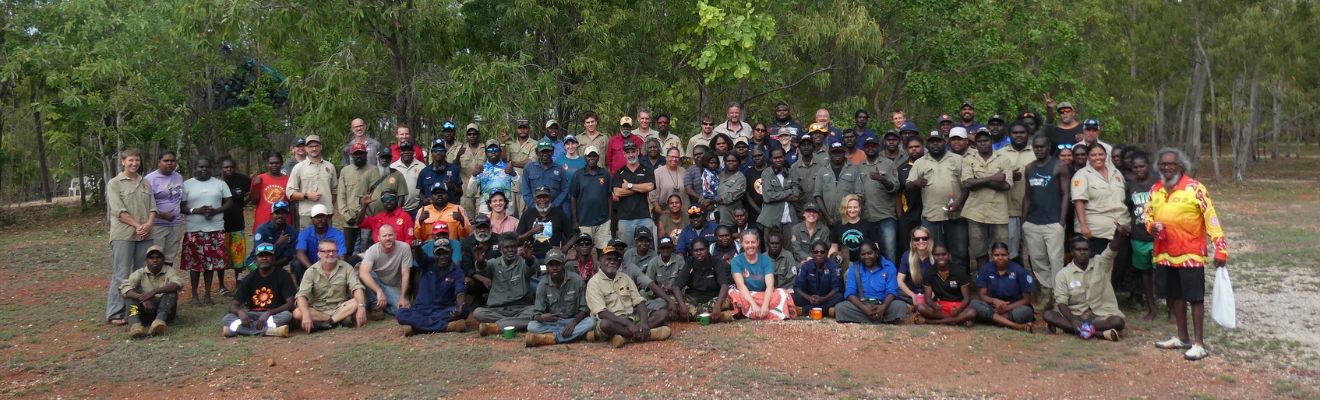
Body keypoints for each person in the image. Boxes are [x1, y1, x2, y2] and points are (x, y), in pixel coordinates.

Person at [1147, 148, 1228, 361]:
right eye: (1163, 164)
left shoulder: (1195, 188)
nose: (1166, 168)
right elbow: (1148, 215)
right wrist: (1150, 227)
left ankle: (1199, 344)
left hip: (1191, 252)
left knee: (1194, 297)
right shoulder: (1155, 189)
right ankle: (1182, 337)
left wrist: (1220, 248)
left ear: (1181, 166)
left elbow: (1211, 218)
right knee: (1174, 295)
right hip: (1165, 252)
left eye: (1171, 164)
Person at [1044, 224, 1130, 341]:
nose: (1082, 252)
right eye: (1078, 250)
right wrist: (1073, 321)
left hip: (1100, 316)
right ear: (1072, 252)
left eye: (1085, 249)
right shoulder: (1063, 274)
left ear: (1090, 252)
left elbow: (1112, 249)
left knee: (1118, 321)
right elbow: (1061, 302)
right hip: (1076, 315)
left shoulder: (1101, 263)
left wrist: (1121, 234)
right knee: (1048, 315)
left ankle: (1071, 329)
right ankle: (1100, 334)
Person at [586, 246, 673, 347]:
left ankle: (626, 337)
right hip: (614, 321)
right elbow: (602, 313)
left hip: (632, 317)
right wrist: (629, 325)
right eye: (608, 259)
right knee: (605, 325)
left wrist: (644, 322)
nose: (612, 262)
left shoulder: (625, 277)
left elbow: (639, 302)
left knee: (663, 314)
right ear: (601, 260)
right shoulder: (594, 282)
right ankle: (646, 334)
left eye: (615, 260)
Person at [1022, 134, 1071, 310]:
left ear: (1048, 147)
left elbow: (1066, 195)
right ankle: (1046, 294)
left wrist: (1061, 221)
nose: (1039, 149)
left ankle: (1059, 298)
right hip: (1033, 222)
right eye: (1036, 147)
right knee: (1037, 260)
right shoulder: (1029, 168)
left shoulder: (1059, 166)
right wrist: (1024, 221)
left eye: (1042, 146)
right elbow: (1027, 196)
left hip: (1053, 222)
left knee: (1055, 260)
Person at [909, 131, 969, 271]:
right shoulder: (920, 162)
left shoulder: (958, 159)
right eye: (932, 141)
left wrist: (959, 202)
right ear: (927, 144)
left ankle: (962, 281)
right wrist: (916, 183)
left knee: (960, 253)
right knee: (932, 254)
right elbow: (908, 185)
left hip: (956, 214)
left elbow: (967, 185)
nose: (935, 144)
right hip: (931, 216)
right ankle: (936, 281)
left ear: (944, 141)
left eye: (938, 141)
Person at [181, 156, 233, 305]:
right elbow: (181, 206)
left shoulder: (219, 183)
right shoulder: (187, 185)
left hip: (215, 228)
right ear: (195, 168)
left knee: (210, 264)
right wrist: (195, 210)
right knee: (195, 264)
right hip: (194, 229)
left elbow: (229, 202)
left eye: (207, 167)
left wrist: (216, 211)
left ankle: (208, 295)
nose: (204, 169)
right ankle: (194, 296)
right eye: (201, 167)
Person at [961, 130, 1014, 267]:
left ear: (991, 141)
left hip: (998, 212)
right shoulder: (968, 160)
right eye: (979, 141)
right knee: (979, 250)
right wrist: (993, 178)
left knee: (1000, 249)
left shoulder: (1003, 160)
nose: (983, 143)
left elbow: (1006, 185)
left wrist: (978, 180)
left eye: (986, 140)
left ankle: (999, 276)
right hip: (975, 212)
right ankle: (983, 276)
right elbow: (968, 184)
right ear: (975, 143)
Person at [396, 237, 469, 335]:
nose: (442, 257)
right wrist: (417, 248)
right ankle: (447, 326)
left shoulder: (457, 271)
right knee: (400, 313)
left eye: (445, 253)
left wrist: (460, 306)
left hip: (442, 310)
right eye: (439, 254)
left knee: (465, 311)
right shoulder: (427, 263)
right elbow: (420, 257)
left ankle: (417, 327)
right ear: (434, 254)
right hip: (421, 310)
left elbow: (460, 291)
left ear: (451, 253)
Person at [223, 242, 296, 338]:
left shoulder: (284, 276)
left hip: (275, 314)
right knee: (227, 318)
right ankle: (269, 331)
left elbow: (291, 304)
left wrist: (268, 313)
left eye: (268, 255)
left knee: (287, 316)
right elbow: (233, 306)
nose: (264, 258)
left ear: (274, 257)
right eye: (261, 256)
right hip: (253, 315)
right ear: (256, 259)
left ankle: (239, 330)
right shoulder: (249, 278)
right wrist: (240, 312)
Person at [524, 249, 596, 346]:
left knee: (591, 321)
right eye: (551, 265)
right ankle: (577, 335)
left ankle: (552, 338)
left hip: (573, 320)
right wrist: (541, 317)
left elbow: (584, 309)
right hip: (552, 323)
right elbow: (536, 313)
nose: (554, 268)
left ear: (563, 265)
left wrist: (573, 323)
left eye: (557, 264)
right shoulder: (542, 285)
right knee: (532, 326)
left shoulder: (577, 280)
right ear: (547, 267)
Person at [294, 239, 367, 332]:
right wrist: (306, 314)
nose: (331, 254)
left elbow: (357, 288)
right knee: (297, 312)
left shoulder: (346, 267)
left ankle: (329, 322)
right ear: (319, 254)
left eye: (334, 251)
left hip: (340, 307)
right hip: (317, 310)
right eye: (327, 251)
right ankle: (338, 319)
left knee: (359, 301)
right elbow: (301, 296)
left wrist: (361, 306)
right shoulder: (311, 271)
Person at [472, 233, 538, 336]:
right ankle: (516, 323)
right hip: (498, 310)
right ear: (501, 249)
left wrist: (529, 259)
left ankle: (498, 326)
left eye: (513, 247)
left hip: (521, 308)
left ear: (517, 248)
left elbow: (533, 268)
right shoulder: (494, 263)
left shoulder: (523, 262)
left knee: (536, 311)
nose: (510, 250)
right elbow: (483, 269)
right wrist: (480, 262)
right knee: (478, 313)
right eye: (507, 247)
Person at [1123, 151, 1162, 321]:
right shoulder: (1130, 186)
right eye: (1135, 167)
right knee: (1145, 273)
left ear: (1148, 166)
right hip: (1138, 236)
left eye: (1141, 166)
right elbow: (1128, 208)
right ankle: (1151, 308)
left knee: (1163, 273)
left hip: (1159, 237)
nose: (1138, 170)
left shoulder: (1159, 183)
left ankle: (1172, 309)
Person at [1072, 144, 1130, 253]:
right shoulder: (1082, 175)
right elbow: (1079, 201)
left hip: (1121, 229)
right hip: (1096, 231)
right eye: (1093, 155)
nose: (1098, 158)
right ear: (1088, 157)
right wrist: (1083, 226)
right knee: (1099, 262)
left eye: (1101, 154)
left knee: (1121, 262)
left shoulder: (1116, 173)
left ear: (1106, 156)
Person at [727, 231, 795, 320]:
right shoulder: (736, 260)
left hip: (763, 295)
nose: (750, 245)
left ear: (758, 242)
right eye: (747, 243)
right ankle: (768, 312)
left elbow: (770, 285)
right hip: (746, 295)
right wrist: (753, 304)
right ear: (742, 244)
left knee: (782, 293)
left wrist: (765, 305)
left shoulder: (765, 260)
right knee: (732, 292)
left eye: (753, 242)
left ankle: (751, 313)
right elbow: (740, 285)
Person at [120, 245, 183, 338]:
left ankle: (159, 322)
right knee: (130, 295)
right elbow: (124, 287)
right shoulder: (140, 272)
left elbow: (177, 284)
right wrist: (142, 298)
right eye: (151, 258)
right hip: (144, 310)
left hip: (164, 311)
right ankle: (135, 325)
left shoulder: (169, 271)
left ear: (163, 259)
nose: (155, 260)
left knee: (171, 292)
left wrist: (154, 292)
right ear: (146, 260)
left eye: (158, 257)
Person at [836, 242, 907, 324]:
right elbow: (850, 292)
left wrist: (883, 307)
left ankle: (868, 318)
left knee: (900, 305)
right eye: (863, 254)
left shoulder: (888, 266)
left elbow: (892, 291)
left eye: (869, 253)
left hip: (883, 304)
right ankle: (880, 318)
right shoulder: (854, 267)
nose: (866, 257)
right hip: (862, 304)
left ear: (876, 252)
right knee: (840, 307)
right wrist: (864, 308)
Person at [971, 243, 1036, 332]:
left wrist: (1006, 308)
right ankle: (1015, 325)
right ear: (992, 256)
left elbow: (1027, 299)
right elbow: (982, 296)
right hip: (993, 306)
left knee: (1025, 312)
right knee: (974, 303)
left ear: (1008, 255)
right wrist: (994, 301)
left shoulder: (1019, 270)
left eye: (1004, 255)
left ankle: (990, 318)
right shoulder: (985, 269)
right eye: (996, 255)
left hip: (1013, 307)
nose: (1000, 258)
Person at [858, 135, 901, 263]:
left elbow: (895, 187)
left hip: (885, 217)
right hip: (866, 217)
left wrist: (882, 179)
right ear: (864, 148)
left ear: (878, 147)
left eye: (873, 145)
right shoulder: (858, 167)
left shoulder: (888, 164)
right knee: (868, 256)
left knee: (889, 254)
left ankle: (891, 277)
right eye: (867, 146)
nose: (870, 148)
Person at [999, 122, 1035, 260]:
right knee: (1010, 252)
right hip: (1008, 210)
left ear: (1028, 134)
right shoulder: (1000, 154)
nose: (1018, 135)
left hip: (1032, 211)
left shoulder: (1036, 152)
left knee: (1034, 252)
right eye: (1015, 133)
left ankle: (1035, 274)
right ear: (1009, 135)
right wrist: (1009, 177)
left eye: (1022, 132)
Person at [914, 246, 977, 327]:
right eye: (937, 255)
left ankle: (929, 321)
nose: (941, 257)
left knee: (972, 312)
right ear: (933, 256)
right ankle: (957, 320)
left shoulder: (959, 271)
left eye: (944, 254)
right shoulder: (929, 272)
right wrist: (934, 306)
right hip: (940, 307)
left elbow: (967, 298)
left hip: (957, 306)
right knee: (920, 307)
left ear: (949, 255)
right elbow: (928, 298)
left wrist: (958, 310)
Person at [357, 225, 413, 316]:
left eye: (390, 235)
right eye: (384, 236)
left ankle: (383, 306)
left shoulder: (404, 248)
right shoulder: (372, 251)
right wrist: (379, 291)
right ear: (378, 238)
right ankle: (375, 305)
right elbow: (363, 273)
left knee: (403, 310)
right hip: (377, 284)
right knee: (364, 271)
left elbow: (405, 274)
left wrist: (403, 297)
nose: (388, 238)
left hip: (394, 286)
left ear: (395, 235)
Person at [674, 237, 733, 322]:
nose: (699, 253)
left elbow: (724, 285)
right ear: (692, 252)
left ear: (708, 249)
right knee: (672, 301)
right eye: (695, 250)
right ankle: (711, 315)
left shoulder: (716, 262)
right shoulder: (689, 264)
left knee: (726, 302)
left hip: (712, 299)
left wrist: (717, 305)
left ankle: (694, 315)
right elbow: (676, 287)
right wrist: (682, 305)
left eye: (702, 250)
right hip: (693, 298)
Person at [286, 135, 337, 228]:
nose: (314, 149)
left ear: (321, 147)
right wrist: (307, 196)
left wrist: (329, 206)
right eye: (311, 146)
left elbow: (334, 191)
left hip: (326, 213)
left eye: (316, 146)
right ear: (306, 148)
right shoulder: (299, 168)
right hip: (307, 214)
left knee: (327, 238)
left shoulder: (330, 167)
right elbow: (290, 192)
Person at [145, 151, 184, 269]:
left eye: (172, 161)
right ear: (159, 162)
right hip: (158, 225)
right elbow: (144, 203)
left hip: (175, 224)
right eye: (165, 161)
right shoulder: (150, 179)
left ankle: (166, 279)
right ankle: (154, 280)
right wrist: (161, 214)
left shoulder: (178, 177)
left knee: (170, 257)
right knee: (156, 256)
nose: (169, 163)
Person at [613, 140, 657, 245]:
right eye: (628, 152)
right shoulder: (619, 173)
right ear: (624, 154)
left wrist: (630, 186)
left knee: (647, 248)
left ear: (638, 152)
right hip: (625, 218)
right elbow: (617, 192)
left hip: (644, 216)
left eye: (633, 152)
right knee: (625, 249)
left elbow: (650, 187)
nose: (631, 155)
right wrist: (640, 188)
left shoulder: (647, 170)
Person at [569, 146, 612, 249]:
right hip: (584, 221)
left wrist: (609, 216)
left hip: (603, 221)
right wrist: (574, 220)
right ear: (585, 158)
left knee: (603, 250)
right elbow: (573, 197)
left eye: (594, 156)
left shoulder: (605, 173)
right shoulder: (578, 175)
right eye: (589, 156)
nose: (592, 158)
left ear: (598, 157)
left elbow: (609, 195)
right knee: (584, 250)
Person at [814, 140, 865, 227]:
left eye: (840, 152)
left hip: (849, 219)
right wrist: (827, 217)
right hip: (827, 220)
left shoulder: (853, 170)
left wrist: (851, 215)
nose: (837, 155)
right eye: (834, 153)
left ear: (844, 153)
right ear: (829, 154)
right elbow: (818, 196)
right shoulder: (822, 171)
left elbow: (859, 195)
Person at [516, 186, 572, 262]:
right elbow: (517, 239)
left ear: (550, 198)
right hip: (532, 256)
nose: (542, 200)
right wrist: (532, 231)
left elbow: (573, 236)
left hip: (553, 255)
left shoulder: (559, 214)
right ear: (534, 199)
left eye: (545, 197)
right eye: (539, 197)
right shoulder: (527, 214)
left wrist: (564, 249)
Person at [293, 204, 348, 282]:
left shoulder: (338, 234)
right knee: (297, 264)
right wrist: (312, 270)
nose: (319, 219)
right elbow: (300, 252)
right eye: (316, 217)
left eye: (322, 216)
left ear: (327, 217)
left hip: (331, 266)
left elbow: (342, 256)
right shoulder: (304, 233)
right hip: (310, 265)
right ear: (311, 218)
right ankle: (302, 286)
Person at [338, 143, 375, 255]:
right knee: (348, 250)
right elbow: (341, 195)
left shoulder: (374, 170)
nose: (358, 156)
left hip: (368, 217)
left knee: (369, 249)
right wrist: (346, 216)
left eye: (361, 153)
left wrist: (373, 216)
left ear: (366, 154)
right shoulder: (345, 171)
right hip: (350, 218)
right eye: (356, 154)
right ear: (352, 155)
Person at [757, 147, 802, 231]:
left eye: (780, 157)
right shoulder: (766, 173)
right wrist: (789, 191)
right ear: (771, 159)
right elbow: (768, 197)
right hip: (771, 220)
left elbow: (796, 196)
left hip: (790, 219)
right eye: (775, 158)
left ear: (784, 157)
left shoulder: (792, 173)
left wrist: (775, 196)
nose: (778, 160)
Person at [793, 241, 844, 316]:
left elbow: (836, 288)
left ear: (827, 253)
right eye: (816, 252)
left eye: (822, 252)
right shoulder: (806, 266)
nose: (819, 254)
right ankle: (827, 311)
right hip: (809, 298)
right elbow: (797, 287)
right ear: (812, 254)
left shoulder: (833, 265)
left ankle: (804, 310)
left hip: (826, 297)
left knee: (840, 296)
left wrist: (823, 299)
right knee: (792, 296)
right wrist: (809, 298)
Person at [469, 141, 519, 216]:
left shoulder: (509, 168)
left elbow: (521, 189)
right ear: (486, 153)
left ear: (500, 151)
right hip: (486, 212)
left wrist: (514, 175)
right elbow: (471, 193)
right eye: (489, 150)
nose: (493, 152)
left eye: (496, 149)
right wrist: (474, 176)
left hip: (506, 211)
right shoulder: (481, 169)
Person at [645, 236, 689, 321]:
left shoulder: (679, 260)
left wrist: (673, 290)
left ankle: (662, 313)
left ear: (672, 249)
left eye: (668, 248)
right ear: (659, 249)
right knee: (644, 296)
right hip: (658, 296)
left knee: (684, 302)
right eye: (663, 248)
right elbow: (649, 284)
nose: (665, 250)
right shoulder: (653, 262)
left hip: (677, 295)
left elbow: (685, 282)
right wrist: (659, 291)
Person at [895, 137, 926, 256]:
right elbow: (898, 194)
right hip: (909, 214)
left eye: (917, 147)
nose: (914, 149)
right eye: (911, 147)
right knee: (908, 250)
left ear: (923, 147)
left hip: (928, 213)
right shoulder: (901, 168)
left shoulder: (930, 164)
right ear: (906, 150)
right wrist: (900, 217)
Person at [521, 139, 570, 215]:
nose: (545, 154)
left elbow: (565, 191)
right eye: (542, 151)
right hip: (534, 212)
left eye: (548, 151)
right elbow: (525, 191)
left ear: (553, 151)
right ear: (537, 152)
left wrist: (553, 206)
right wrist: (535, 207)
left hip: (555, 212)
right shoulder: (529, 168)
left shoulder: (560, 170)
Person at [247, 201, 297, 271]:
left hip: (276, 264)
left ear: (288, 214)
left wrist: (270, 266)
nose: (280, 216)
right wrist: (278, 243)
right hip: (257, 262)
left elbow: (286, 258)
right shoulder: (262, 229)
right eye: (277, 213)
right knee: (257, 270)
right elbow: (261, 253)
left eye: (283, 213)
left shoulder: (292, 232)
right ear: (272, 214)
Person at [249, 151, 290, 233]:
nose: (274, 165)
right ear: (267, 164)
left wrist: (293, 223)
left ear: (281, 163)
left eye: (277, 163)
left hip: (283, 221)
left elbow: (291, 202)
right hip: (263, 220)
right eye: (271, 163)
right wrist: (255, 186)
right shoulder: (259, 179)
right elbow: (254, 202)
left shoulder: (288, 179)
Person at [830, 195, 876, 268]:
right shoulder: (838, 225)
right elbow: (834, 248)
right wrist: (828, 263)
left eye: (855, 207)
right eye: (849, 207)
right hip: (844, 263)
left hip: (864, 263)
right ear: (845, 208)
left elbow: (875, 247)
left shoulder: (868, 225)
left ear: (859, 208)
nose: (852, 210)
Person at [417, 138, 465, 208]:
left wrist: (452, 187)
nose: (438, 153)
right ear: (432, 153)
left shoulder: (454, 169)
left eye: (441, 150)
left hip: (450, 209)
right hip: (431, 209)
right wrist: (424, 200)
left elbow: (460, 193)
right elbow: (420, 192)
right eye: (435, 151)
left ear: (445, 152)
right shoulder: (424, 172)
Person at [453, 123, 488, 216]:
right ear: (466, 136)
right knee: (468, 219)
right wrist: (458, 156)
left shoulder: (485, 148)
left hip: (482, 190)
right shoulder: (460, 148)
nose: (472, 136)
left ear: (479, 135)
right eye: (470, 134)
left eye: (474, 134)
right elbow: (453, 168)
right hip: (466, 190)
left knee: (482, 218)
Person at [896, 226, 934, 306]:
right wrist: (913, 296)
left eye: (924, 238)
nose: (921, 241)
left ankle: (913, 306)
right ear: (913, 241)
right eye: (917, 239)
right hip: (913, 292)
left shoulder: (936, 254)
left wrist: (933, 294)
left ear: (929, 240)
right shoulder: (907, 255)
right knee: (895, 291)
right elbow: (899, 280)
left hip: (932, 293)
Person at [390, 141, 427, 218]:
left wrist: (420, 206)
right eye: (404, 150)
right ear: (400, 152)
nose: (406, 152)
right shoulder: (393, 167)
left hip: (417, 208)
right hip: (398, 209)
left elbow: (424, 188)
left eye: (409, 150)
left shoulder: (421, 166)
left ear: (413, 151)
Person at [791, 132, 822, 214]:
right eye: (803, 145)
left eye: (809, 144)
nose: (806, 147)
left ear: (814, 147)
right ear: (799, 148)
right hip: (800, 212)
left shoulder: (822, 166)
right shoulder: (793, 168)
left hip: (818, 211)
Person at [740, 146, 769, 223]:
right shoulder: (749, 173)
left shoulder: (772, 169)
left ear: (765, 154)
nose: (757, 158)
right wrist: (758, 209)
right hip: (755, 212)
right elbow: (747, 195)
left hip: (772, 210)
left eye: (759, 155)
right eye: (754, 156)